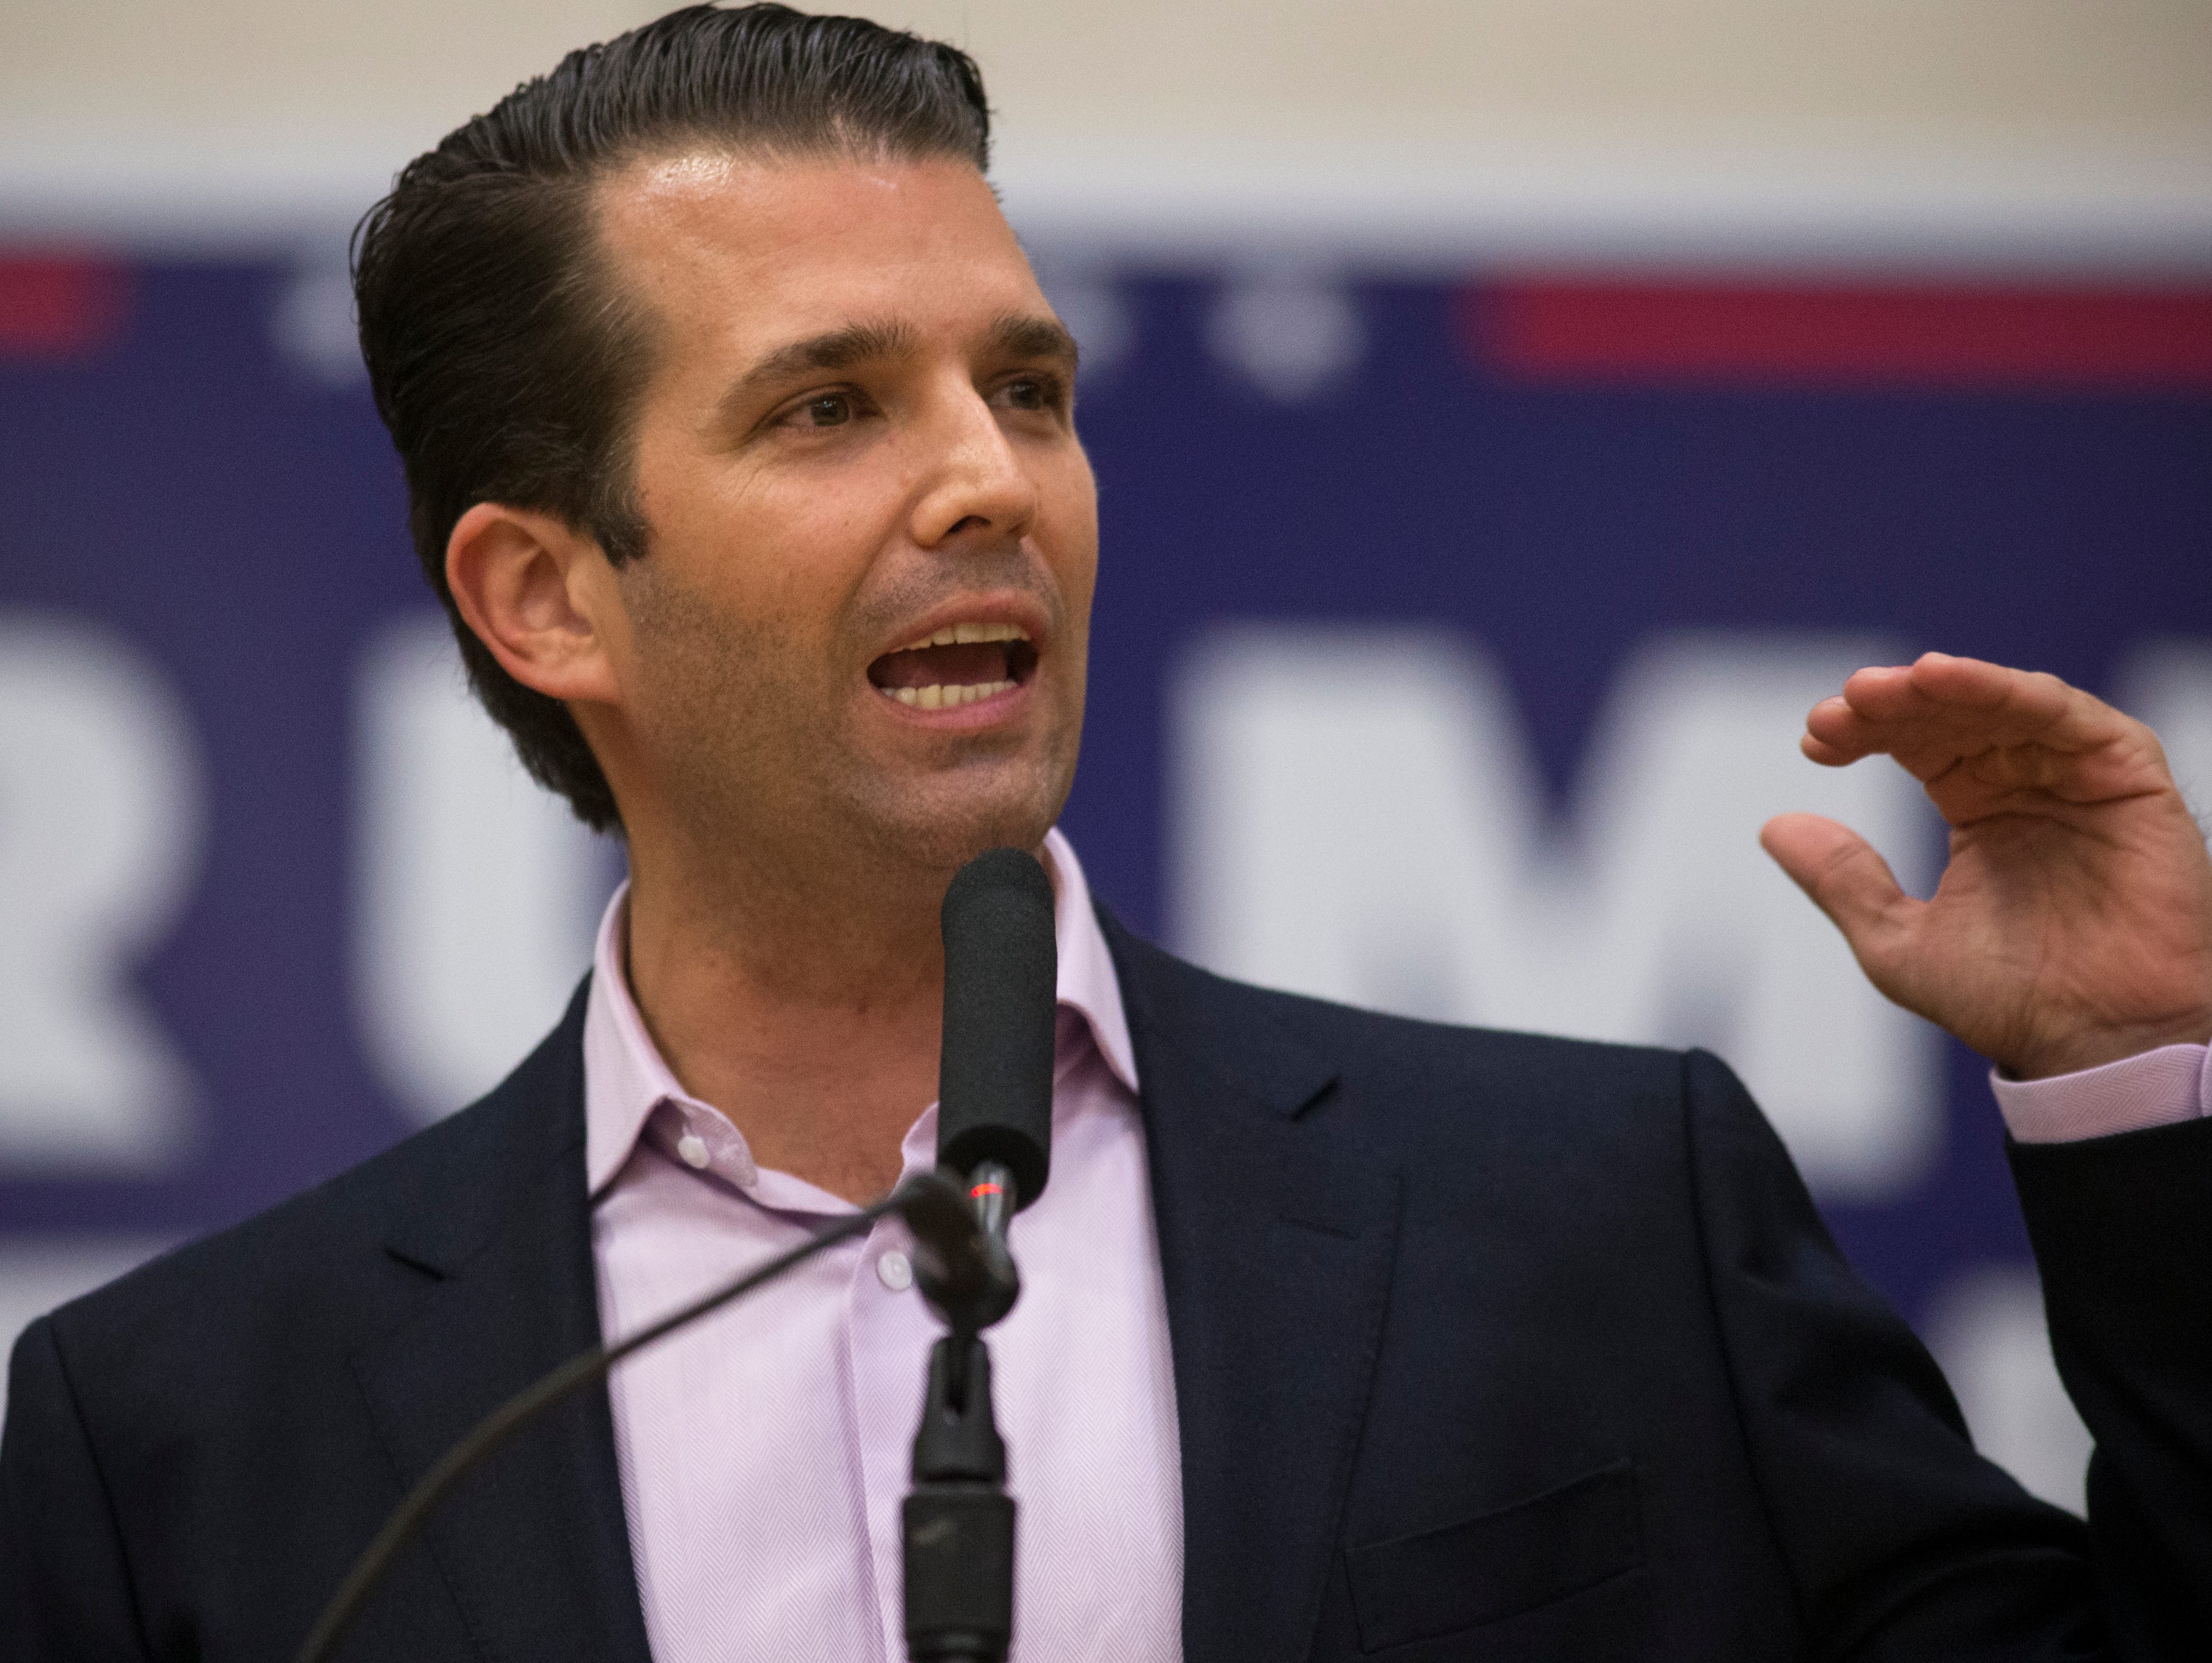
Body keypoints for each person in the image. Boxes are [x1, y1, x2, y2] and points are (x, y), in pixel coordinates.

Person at [3, 6, 2209, 1660]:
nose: (995, 482)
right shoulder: (191, 1433)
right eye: (833, 406)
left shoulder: (1594, 1222)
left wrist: (2139, 1094)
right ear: (547, 594)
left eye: (1029, 389)